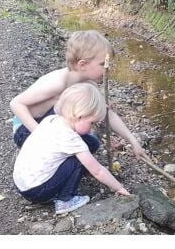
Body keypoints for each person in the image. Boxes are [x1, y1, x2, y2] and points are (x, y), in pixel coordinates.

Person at [10, 30, 148, 161]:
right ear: (83, 64)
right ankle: (31, 156)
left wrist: (133, 141)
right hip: (28, 130)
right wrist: (41, 134)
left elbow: (107, 114)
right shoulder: (57, 83)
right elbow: (16, 103)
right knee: (71, 154)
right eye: (103, 64)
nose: (107, 69)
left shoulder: (89, 86)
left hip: (53, 125)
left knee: (92, 145)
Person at [13, 83, 130, 214]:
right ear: (79, 115)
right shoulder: (70, 139)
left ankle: (74, 175)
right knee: (78, 160)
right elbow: (98, 171)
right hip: (37, 191)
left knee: (91, 142)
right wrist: (118, 187)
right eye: (91, 123)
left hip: (22, 183)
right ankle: (65, 200)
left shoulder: (51, 119)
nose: (92, 127)